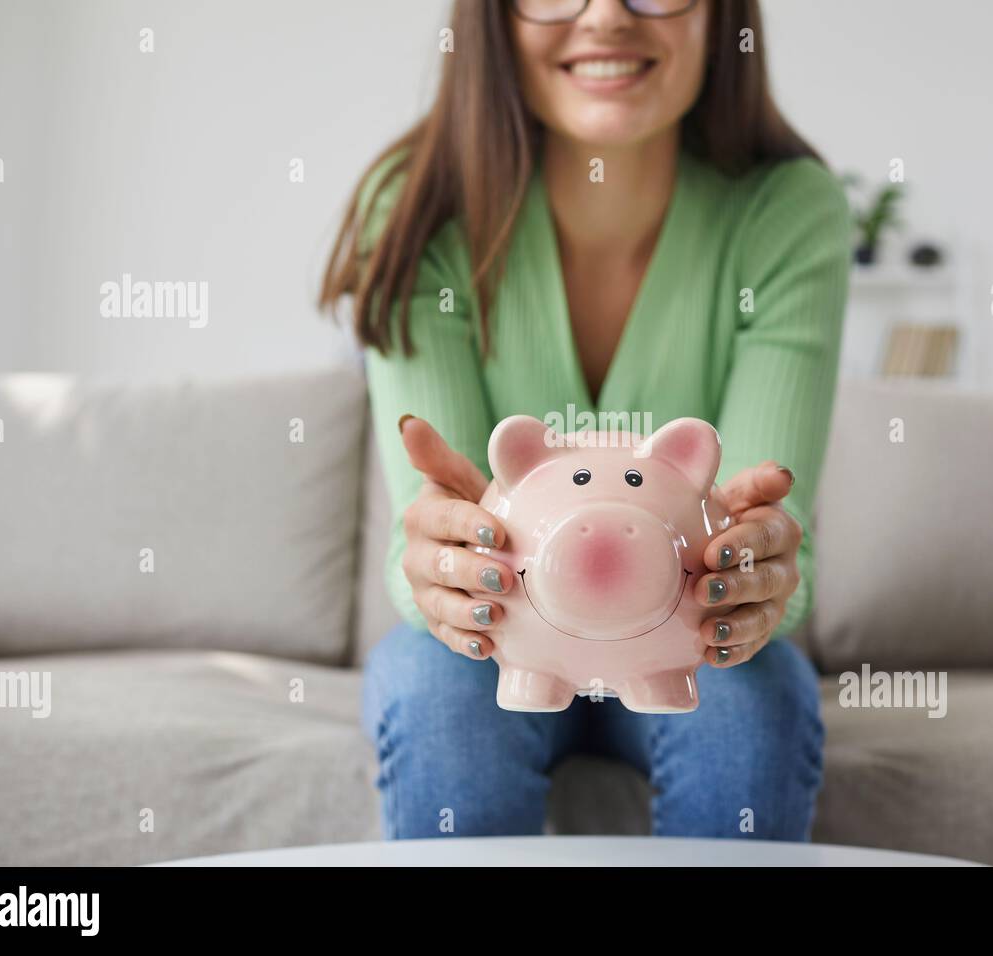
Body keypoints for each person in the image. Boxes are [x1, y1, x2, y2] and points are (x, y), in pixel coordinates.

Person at [319, 0, 850, 840]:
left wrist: (752, 577)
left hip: (688, 642)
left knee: (754, 710)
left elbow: (771, 546)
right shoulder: (421, 205)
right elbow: (417, 551)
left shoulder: (787, 211)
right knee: (437, 700)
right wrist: (446, 570)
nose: (605, 16)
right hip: (502, 639)